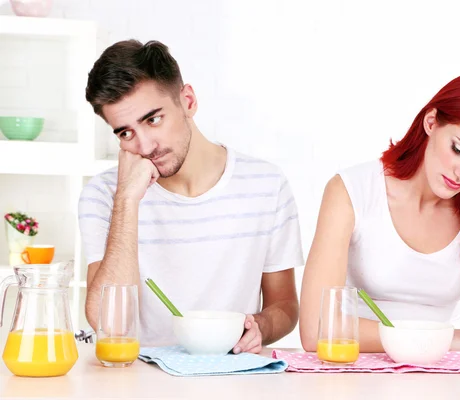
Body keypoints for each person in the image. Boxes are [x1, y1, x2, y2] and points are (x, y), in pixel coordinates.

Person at [79, 39, 304, 352]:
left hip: (231, 372)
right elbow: (110, 325)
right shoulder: (104, 195)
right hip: (138, 380)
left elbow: (285, 305)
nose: (144, 147)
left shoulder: (266, 184)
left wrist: (261, 327)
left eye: (153, 119)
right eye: (125, 133)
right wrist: (127, 201)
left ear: (187, 101)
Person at [299, 70, 460, 352]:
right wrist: (449, 340)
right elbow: (317, 329)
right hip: (355, 376)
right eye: (459, 149)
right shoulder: (352, 191)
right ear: (431, 122)